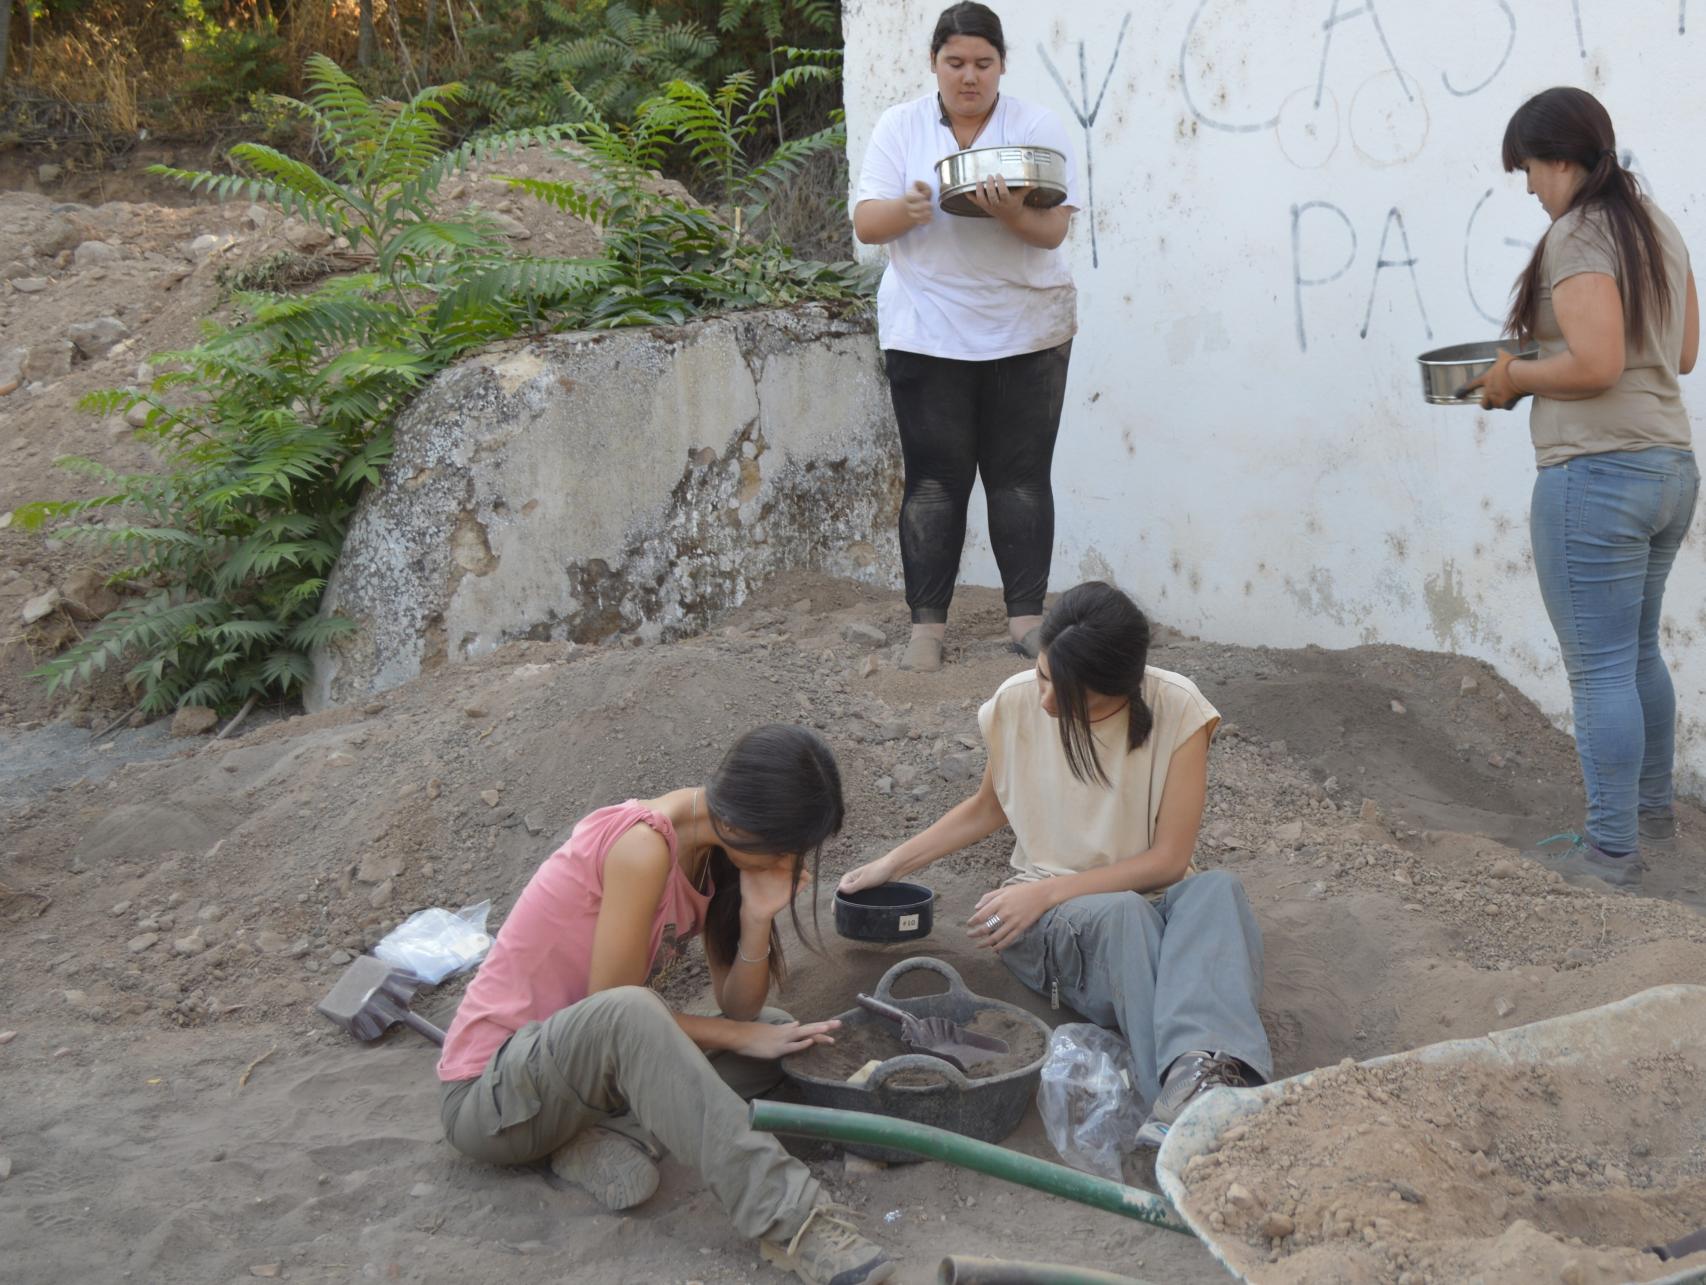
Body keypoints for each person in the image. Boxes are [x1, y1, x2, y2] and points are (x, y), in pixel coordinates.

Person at [436, 725, 894, 1285]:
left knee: (777, 1034)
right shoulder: (642, 846)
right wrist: (733, 1036)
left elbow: (743, 1011)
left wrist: (756, 920)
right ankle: (795, 1221)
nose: (792, 861)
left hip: (575, 1083)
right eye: (788, 849)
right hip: (492, 1098)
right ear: (740, 823)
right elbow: (615, 1011)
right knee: (642, 1013)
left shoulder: (714, 850)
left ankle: (598, 1138)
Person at [839, 582, 1271, 1150]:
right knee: (1124, 918)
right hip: (1050, 916)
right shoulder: (1016, 701)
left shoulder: (1178, 707)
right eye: (1044, 676)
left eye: (1070, 697)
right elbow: (987, 808)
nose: (1046, 702)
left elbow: (1169, 861)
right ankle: (1176, 1105)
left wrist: (1051, 892)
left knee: (1217, 890)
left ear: (1123, 690)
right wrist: (891, 863)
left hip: (1138, 899)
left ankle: (1197, 1079)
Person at [1470, 87, 1700, 891]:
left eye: (1529, 169)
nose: (1529, 187)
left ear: (1561, 159)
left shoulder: (1578, 233)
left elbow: (1598, 364)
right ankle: (1652, 819)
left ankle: (1610, 849)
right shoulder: (1654, 226)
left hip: (1597, 474)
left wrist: (1513, 377)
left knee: (1600, 667)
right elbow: (1682, 352)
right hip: (1669, 467)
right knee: (1636, 652)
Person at [853, 1, 1080, 673]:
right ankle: (926, 628)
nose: (969, 76)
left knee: (1020, 477)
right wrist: (909, 209)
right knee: (933, 481)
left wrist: (1012, 212)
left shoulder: (1035, 125)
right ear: (934, 64)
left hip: (1029, 326)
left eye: (983, 63)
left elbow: (1054, 229)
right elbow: (869, 222)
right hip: (926, 327)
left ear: (1002, 65)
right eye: (955, 63)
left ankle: (1027, 621)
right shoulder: (900, 126)